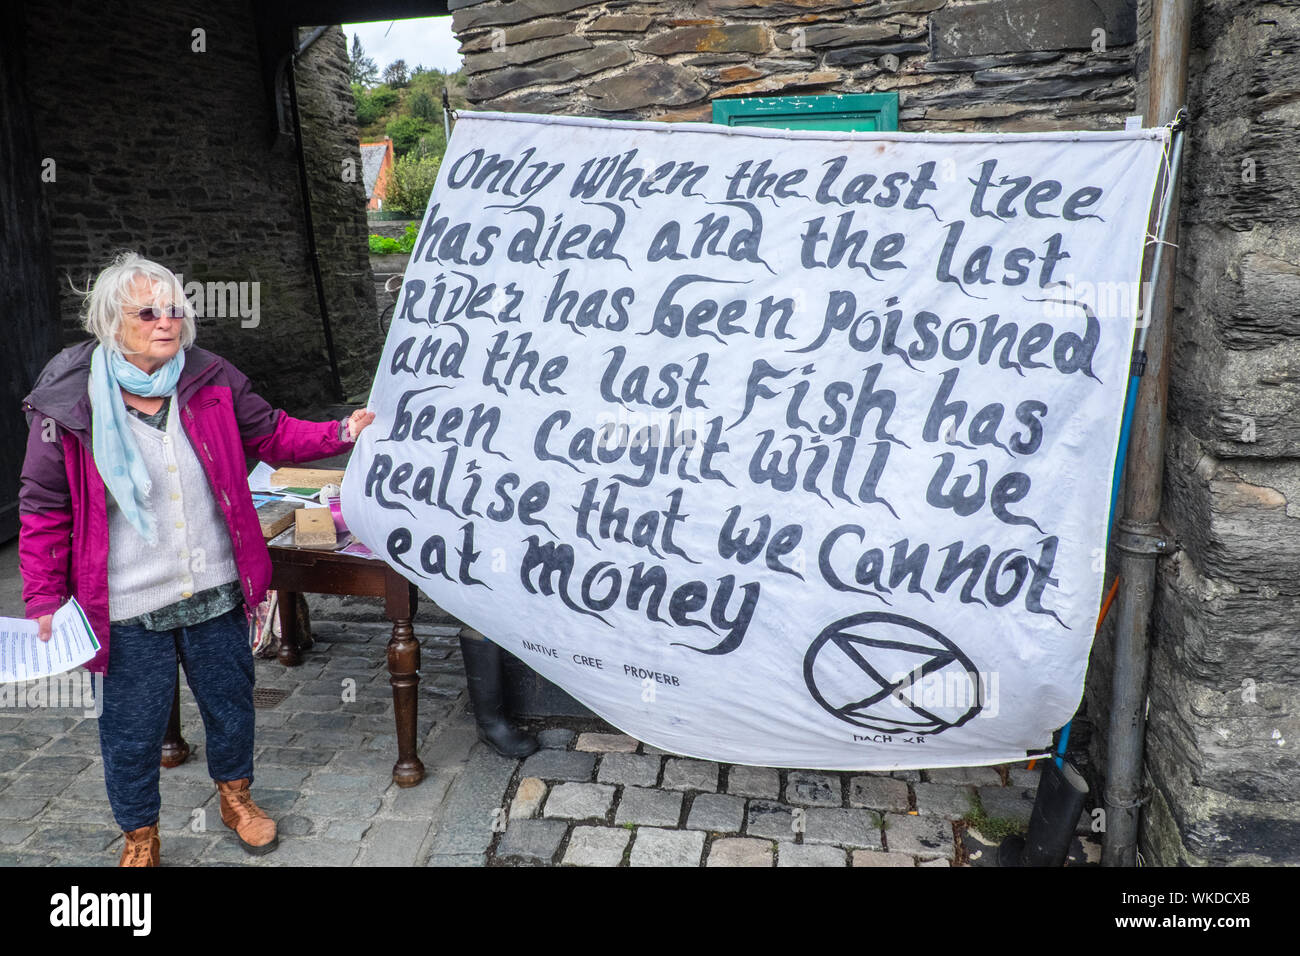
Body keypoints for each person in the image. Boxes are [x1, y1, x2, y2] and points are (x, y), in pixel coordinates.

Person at [18, 251, 374, 866]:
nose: (167, 321)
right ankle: (141, 836)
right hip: (126, 600)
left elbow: (271, 434)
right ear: (110, 322)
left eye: (176, 310)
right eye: (148, 312)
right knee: (132, 729)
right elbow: (45, 506)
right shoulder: (69, 404)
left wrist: (340, 433)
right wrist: (45, 595)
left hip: (213, 583)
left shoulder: (208, 379)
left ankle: (237, 798)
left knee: (230, 703)